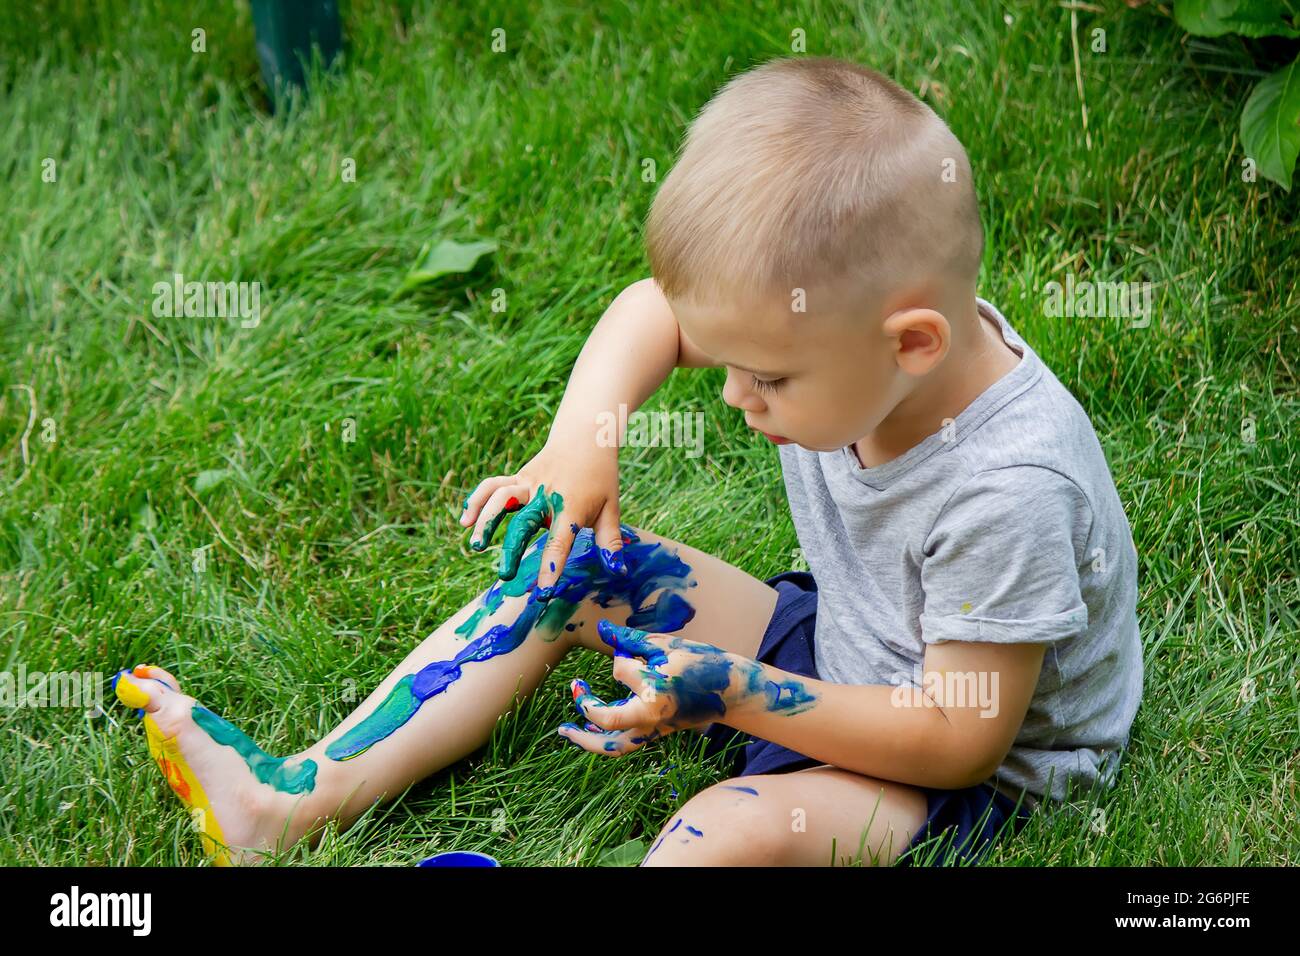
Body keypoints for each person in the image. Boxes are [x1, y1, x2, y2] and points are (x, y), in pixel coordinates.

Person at [115, 56, 1143, 867]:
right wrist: (582, 439)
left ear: (910, 342)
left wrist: (735, 693)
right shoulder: (846, 339)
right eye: (730, 366)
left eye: (766, 380)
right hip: (844, 638)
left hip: (968, 770)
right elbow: (655, 310)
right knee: (569, 567)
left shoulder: (1008, 491)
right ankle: (290, 800)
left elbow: (955, 737)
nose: (736, 400)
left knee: (720, 831)